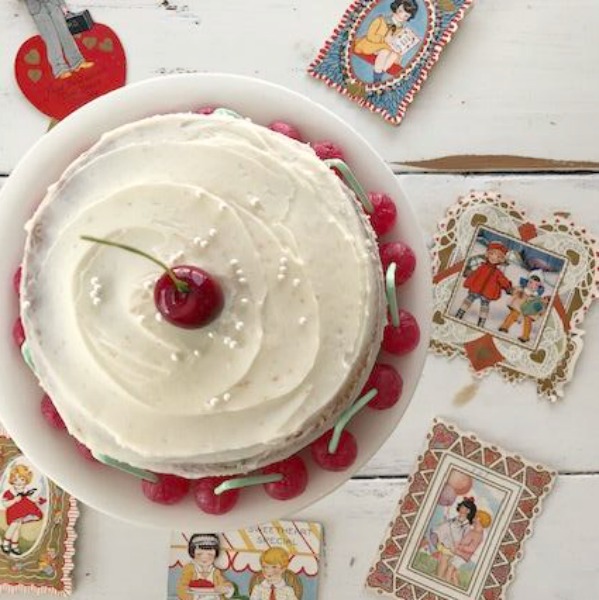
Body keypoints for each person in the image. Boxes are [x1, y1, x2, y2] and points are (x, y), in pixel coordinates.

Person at [23, 0, 94, 79]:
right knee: (51, 38)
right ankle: (60, 69)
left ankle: (77, 62)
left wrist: (62, 5)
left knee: (65, 33)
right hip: (37, 8)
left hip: (53, 3)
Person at [354, 0, 419, 83]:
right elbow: (370, 36)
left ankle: (380, 74)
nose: (401, 17)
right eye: (400, 11)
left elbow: (395, 43)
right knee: (385, 52)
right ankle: (377, 77)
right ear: (395, 8)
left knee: (395, 54)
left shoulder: (401, 29)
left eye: (406, 16)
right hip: (371, 44)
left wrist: (401, 46)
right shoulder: (380, 20)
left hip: (387, 47)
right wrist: (384, 39)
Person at [455, 241, 513, 329]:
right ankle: (459, 314)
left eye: (498, 256)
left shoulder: (498, 273)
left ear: (501, 259)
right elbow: (474, 272)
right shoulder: (482, 266)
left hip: (487, 293)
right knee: (467, 301)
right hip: (475, 288)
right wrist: (468, 272)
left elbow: (503, 280)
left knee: (484, 307)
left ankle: (481, 323)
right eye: (492, 254)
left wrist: (508, 287)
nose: (494, 258)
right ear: (488, 254)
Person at [1, 463, 45, 555]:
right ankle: (6, 542)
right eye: (16, 479)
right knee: (13, 527)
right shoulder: (9, 492)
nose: (19, 482)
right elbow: (5, 503)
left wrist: (35, 500)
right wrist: (14, 500)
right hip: (13, 512)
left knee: (17, 528)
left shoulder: (26, 490)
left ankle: (14, 545)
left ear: (26, 480)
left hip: (22, 512)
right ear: (12, 479)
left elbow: (29, 498)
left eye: (22, 479)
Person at [176, 534, 234, 600]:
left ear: (215, 555)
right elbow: (181, 587)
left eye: (210, 554)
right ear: (192, 553)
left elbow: (225, 583)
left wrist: (226, 589)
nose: (204, 558)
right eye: (199, 554)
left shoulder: (215, 572)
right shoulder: (189, 569)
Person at [431, 497, 477, 581]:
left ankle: (439, 577)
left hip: (453, 546)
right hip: (445, 542)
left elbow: (464, 539)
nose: (461, 508)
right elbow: (446, 526)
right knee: (441, 559)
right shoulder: (454, 519)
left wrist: (456, 545)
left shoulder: (466, 526)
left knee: (444, 559)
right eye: (461, 506)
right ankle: (438, 576)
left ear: (468, 511)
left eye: (464, 507)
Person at [446, 510, 493, 587]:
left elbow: (471, 549)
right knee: (454, 572)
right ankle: (456, 586)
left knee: (450, 568)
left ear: (479, 519)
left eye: (475, 517)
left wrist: (459, 547)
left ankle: (446, 585)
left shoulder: (478, 535)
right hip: (459, 553)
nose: (473, 519)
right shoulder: (472, 530)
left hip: (462, 556)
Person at [498, 271, 548, 343]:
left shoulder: (537, 297)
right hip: (518, 306)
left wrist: (542, 311)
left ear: (539, 286)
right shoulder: (522, 290)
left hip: (529, 311)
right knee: (513, 314)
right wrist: (511, 290)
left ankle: (525, 336)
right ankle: (505, 326)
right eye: (530, 282)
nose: (532, 285)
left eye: (536, 284)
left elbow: (541, 306)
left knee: (528, 320)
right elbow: (514, 290)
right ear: (527, 281)